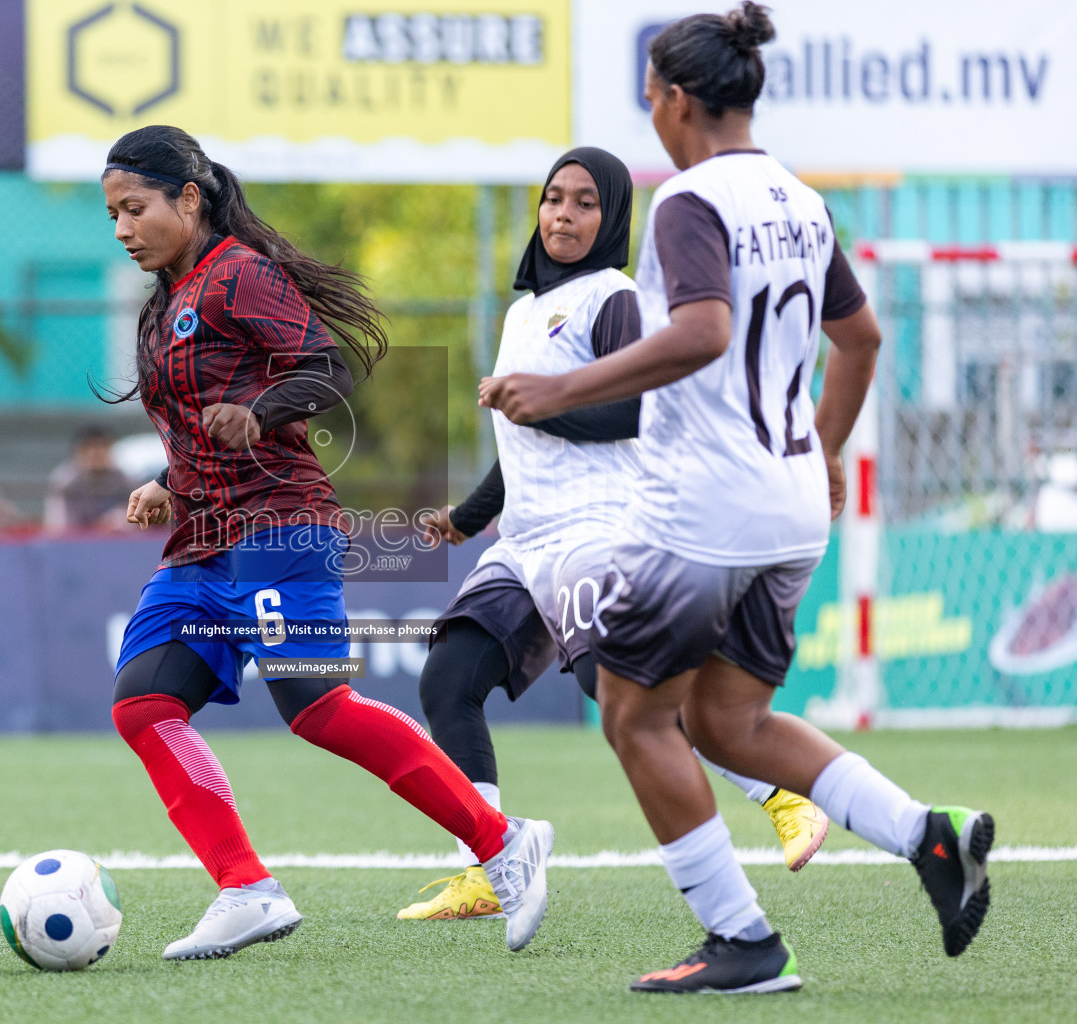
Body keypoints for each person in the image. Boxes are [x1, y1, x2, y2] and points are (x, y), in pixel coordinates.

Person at [480, 3, 992, 994]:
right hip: (791, 504)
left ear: (677, 99)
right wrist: (826, 451)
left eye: (651, 102)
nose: (653, 120)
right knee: (730, 720)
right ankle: (928, 837)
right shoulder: (801, 199)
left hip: (705, 509)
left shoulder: (687, 200)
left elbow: (705, 331)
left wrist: (559, 387)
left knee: (634, 718)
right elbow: (864, 340)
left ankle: (743, 940)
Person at [101, 124, 553, 962]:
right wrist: (171, 482)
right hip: (203, 543)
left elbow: (326, 367)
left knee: (317, 709)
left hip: (279, 529)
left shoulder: (240, 273)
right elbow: (200, 424)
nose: (123, 228)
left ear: (189, 199)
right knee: (143, 704)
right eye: (114, 216)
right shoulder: (164, 302)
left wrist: (263, 412)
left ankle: (502, 840)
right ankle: (245, 887)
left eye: (136, 209)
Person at [397, 147, 828, 924]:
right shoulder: (522, 312)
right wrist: (467, 516)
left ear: (612, 219)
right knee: (447, 682)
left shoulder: (614, 297)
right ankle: (492, 861)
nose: (563, 214)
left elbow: (640, 411)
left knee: (622, 692)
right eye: (553, 198)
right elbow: (521, 438)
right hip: (524, 542)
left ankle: (781, 791)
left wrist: (544, 406)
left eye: (584, 203)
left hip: (599, 531)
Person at [44, 426, 132, 530]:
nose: (97, 452)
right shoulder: (65, 482)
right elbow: (58, 527)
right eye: (90, 447)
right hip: (76, 542)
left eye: (103, 445)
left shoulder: (123, 480)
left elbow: (137, 523)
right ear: (79, 451)